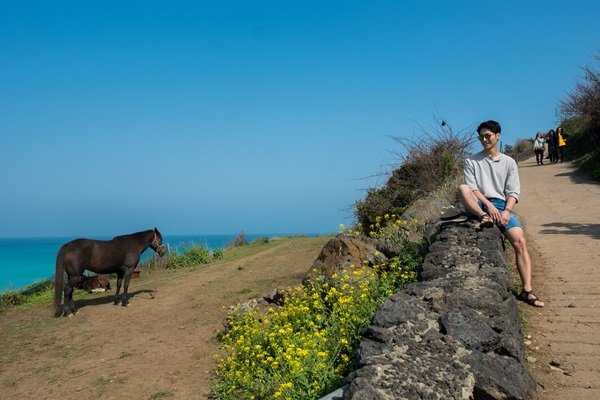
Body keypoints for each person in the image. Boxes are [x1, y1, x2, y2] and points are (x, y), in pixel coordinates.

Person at [458, 120, 544, 307]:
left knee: (520, 241)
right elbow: (472, 188)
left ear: (498, 136)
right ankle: (482, 217)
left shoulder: (509, 162)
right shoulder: (471, 161)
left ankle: (527, 290)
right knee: (463, 187)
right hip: (479, 202)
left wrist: (506, 211)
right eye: (481, 136)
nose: (484, 139)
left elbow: (513, 192)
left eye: (488, 135)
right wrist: (488, 207)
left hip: (501, 205)